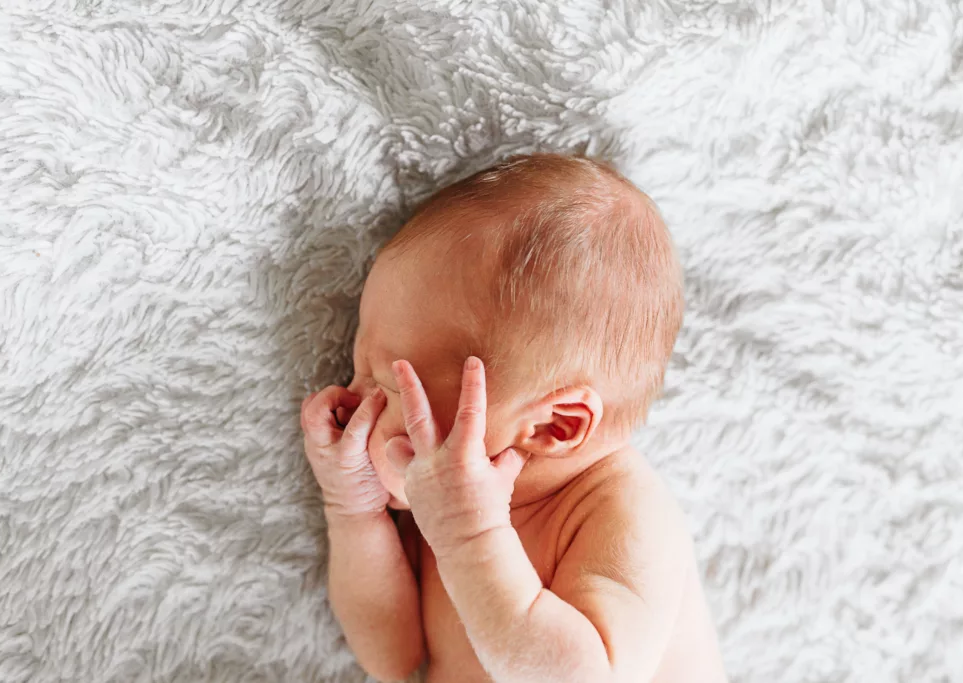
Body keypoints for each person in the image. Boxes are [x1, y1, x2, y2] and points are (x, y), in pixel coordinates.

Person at [301, 154, 726, 682]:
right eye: (359, 370)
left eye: (385, 385)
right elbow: (393, 657)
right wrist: (354, 513)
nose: (353, 401)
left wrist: (471, 538)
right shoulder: (445, 500)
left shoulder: (623, 515)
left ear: (554, 427)